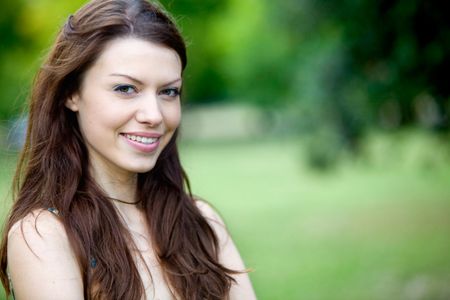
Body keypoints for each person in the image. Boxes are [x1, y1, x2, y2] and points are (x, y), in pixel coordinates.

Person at [0, 0, 257, 299]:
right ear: (72, 93)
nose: (154, 114)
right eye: (126, 89)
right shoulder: (45, 235)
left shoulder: (201, 222)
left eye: (168, 92)